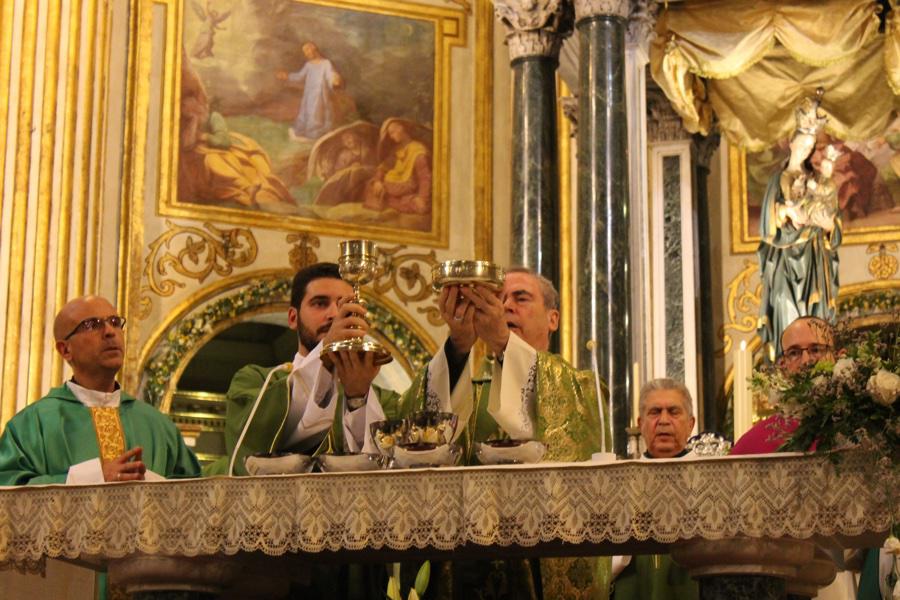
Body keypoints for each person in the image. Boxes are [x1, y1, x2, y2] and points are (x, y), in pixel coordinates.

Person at [204, 262, 474, 476]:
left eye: (345, 305)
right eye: (320, 303)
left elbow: (422, 432)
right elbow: (252, 449)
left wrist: (359, 399)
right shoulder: (256, 381)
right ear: (292, 318)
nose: (334, 314)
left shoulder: (382, 399)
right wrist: (324, 357)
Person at [449, 267, 610, 600]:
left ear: (553, 319)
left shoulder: (581, 387)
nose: (506, 306)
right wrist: (457, 346)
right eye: (498, 298)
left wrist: (505, 345)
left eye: (520, 298)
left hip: (542, 563)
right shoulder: (467, 390)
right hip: (474, 565)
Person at [0, 296, 200, 485]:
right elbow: (8, 490)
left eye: (114, 322)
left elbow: (194, 497)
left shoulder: (159, 426)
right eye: (92, 325)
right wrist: (93, 477)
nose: (110, 331)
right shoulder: (32, 425)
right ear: (65, 350)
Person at [757, 91, 841, 362]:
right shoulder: (777, 181)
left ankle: (819, 367)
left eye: (810, 146)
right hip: (785, 261)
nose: (806, 150)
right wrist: (784, 211)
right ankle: (787, 367)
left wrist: (829, 227)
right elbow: (767, 228)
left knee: (816, 320)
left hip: (815, 260)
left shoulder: (819, 182)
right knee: (783, 305)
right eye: (802, 144)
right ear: (792, 144)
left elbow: (832, 223)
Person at [611, 378, 699, 600]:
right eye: (655, 412)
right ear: (640, 424)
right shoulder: (620, 481)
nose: (663, 421)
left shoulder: (708, 479)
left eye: (673, 411)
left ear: (691, 424)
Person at [732, 316, 834, 455]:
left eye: (816, 349)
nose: (805, 361)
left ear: (838, 356)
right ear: (783, 367)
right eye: (794, 353)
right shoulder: (758, 441)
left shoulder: (862, 424)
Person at [276, 42, 354, 141]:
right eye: (305, 53)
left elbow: (330, 75)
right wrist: (287, 76)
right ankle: (308, 133)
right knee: (308, 113)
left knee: (318, 114)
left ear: (314, 50)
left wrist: (334, 80)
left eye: (308, 51)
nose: (306, 54)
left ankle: (316, 134)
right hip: (309, 94)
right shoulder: (308, 65)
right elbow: (300, 76)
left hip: (321, 95)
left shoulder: (326, 63)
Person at [363, 119, 432, 215]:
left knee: (421, 206)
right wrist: (378, 180)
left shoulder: (418, 150)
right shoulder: (396, 149)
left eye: (392, 132)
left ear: (401, 128)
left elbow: (425, 178)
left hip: (406, 187)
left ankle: (404, 201)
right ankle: (399, 201)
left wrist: (423, 198)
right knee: (371, 185)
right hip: (391, 186)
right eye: (390, 134)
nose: (391, 137)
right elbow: (383, 167)